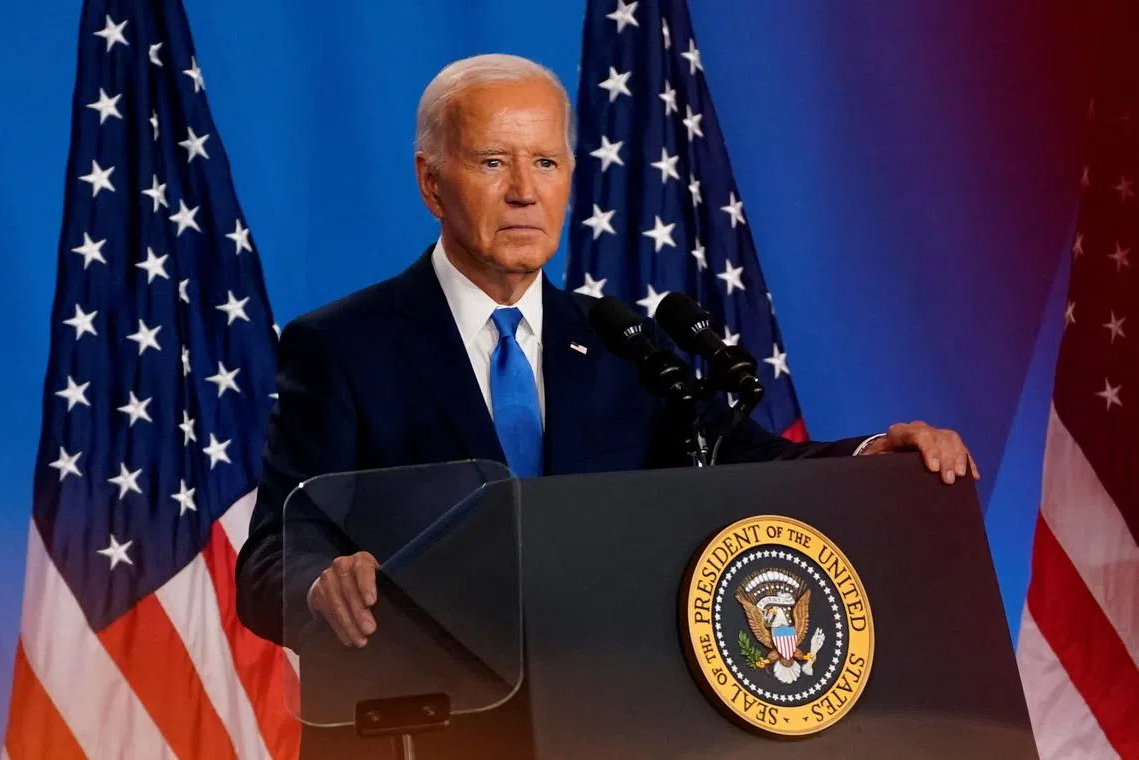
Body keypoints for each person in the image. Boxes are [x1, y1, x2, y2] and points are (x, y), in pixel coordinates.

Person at [235, 53, 978, 757]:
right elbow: (270, 561)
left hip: (606, 725)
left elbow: (744, 460)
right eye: (494, 162)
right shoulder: (342, 346)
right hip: (422, 733)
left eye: (547, 163)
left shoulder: (621, 344)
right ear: (431, 183)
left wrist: (869, 455)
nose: (525, 190)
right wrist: (321, 584)